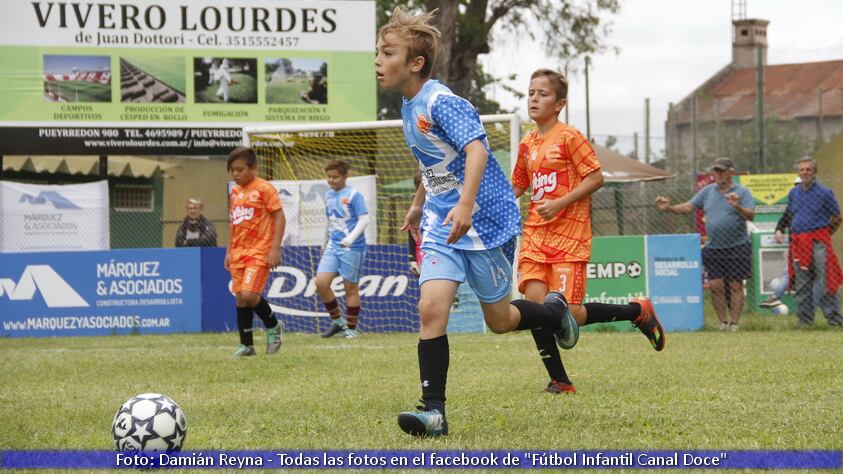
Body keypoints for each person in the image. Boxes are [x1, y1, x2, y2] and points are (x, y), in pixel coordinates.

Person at [376, 6, 579, 438]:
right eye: (378, 51)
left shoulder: (441, 101)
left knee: (500, 320)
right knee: (431, 308)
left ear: (415, 63)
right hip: (441, 222)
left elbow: (477, 151)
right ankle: (434, 413)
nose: (377, 60)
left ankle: (552, 312)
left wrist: (465, 205)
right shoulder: (410, 106)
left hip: (485, 221)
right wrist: (419, 204)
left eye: (387, 52)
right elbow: (434, 162)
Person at [513, 69, 666, 395]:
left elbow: (596, 178)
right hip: (536, 236)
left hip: (570, 237)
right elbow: (516, 185)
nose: (534, 98)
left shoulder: (570, 137)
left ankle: (637, 311)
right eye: (531, 93)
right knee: (535, 307)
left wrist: (559, 204)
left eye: (543, 93)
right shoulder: (527, 143)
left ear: (560, 103)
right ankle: (560, 380)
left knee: (570, 314)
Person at [656, 157, 755, 332]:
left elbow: (751, 215)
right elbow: (688, 207)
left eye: (721, 171)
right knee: (716, 286)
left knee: (735, 285)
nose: (717, 174)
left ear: (731, 172)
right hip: (714, 247)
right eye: (715, 171)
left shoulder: (743, 192)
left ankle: (735, 324)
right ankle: (723, 322)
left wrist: (737, 206)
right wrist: (669, 208)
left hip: (737, 246)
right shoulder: (708, 191)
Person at [225, 147, 286, 356]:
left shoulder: (264, 188)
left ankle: (274, 326)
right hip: (237, 252)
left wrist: (275, 248)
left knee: (250, 295)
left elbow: (279, 217)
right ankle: (247, 345)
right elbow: (233, 222)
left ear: (253, 168)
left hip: (259, 251)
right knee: (240, 298)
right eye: (232, 170)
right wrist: (228, 251)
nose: (235, 174)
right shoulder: (234, 191)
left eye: (239, 169)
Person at [779, 157, 843, 327]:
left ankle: (834, 319)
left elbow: (837, 217)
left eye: (808, 169)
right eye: (802, 170)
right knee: (802, 283)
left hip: (819, 242)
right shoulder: (793, 193)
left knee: (826, 281)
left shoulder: (825, 193)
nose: (805, 172)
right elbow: (791, 215)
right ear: (798, 172)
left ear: (814, 172)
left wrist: (825, 234)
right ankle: (805, 321)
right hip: (799, 243)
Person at [315, 159, 369, 339]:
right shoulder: (329, 195)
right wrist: (324, 244)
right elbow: (329, 222)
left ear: (345, 177)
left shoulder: (354, 195)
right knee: (321, 283)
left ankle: (352, 329)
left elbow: (364, 219)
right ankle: (338, 322)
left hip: (353, 247)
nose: (331, 180)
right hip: (333, 246)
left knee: (350, 288)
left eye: (335, 177)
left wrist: (350, 239)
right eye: (328, 177)